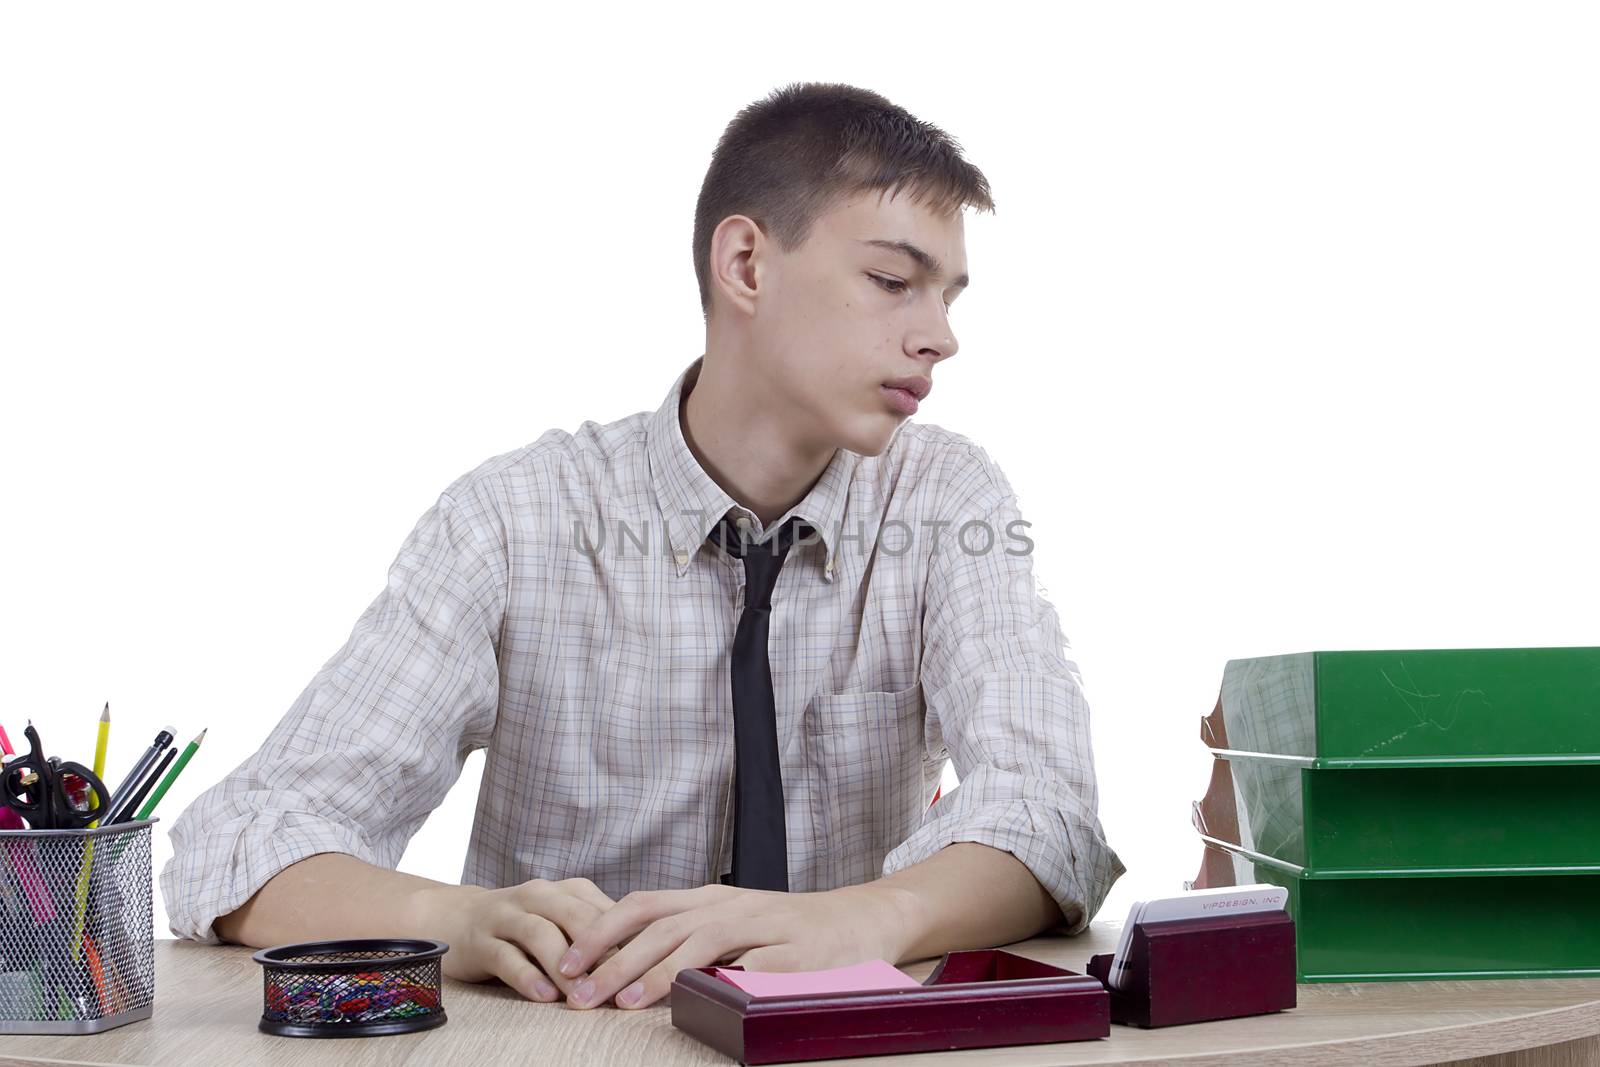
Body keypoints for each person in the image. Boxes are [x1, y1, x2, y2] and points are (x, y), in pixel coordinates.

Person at [161, 80, 1124, 1011]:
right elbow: (235, 841)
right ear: (745, 263)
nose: (940, 336)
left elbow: (1050, 815)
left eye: (948, 295)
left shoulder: (948, 498)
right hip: (562, 1042)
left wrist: (859, 920)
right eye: (891, 281)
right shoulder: (513, 519)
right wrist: (450, 917)